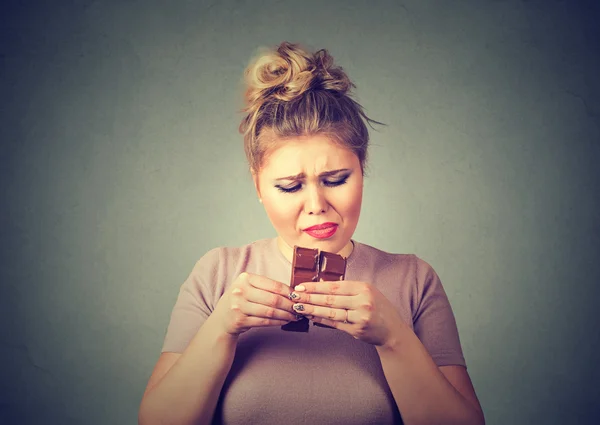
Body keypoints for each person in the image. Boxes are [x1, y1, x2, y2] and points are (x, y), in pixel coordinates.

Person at [138, 41, 485, 425]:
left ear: (362, 170)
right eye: (290, 186)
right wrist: (221, 329)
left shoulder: (414, 280)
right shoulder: (218, 274)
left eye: (336, 179)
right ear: (258, 186)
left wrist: (394, 338)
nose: (316, 204)